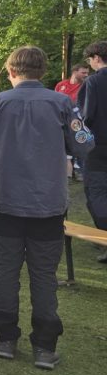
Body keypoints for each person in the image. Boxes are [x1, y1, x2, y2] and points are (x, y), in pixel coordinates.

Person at [0, 46, 91, 370]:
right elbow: (84, 143)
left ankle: (5, 339)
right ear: (43, 71)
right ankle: (44, 345)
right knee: (44, 276)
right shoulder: (63, 103)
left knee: (5, 271)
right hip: (48, 205)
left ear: (11, 71)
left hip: (6, 202)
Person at [79, 40, 107, 259]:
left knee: (96, 192)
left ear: (97, 58)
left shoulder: (94, 82)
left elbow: (86, 115)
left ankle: (104, 237)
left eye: (90, 60)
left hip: (98, 146)